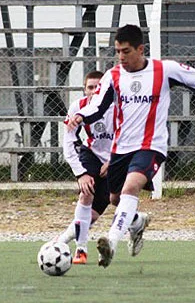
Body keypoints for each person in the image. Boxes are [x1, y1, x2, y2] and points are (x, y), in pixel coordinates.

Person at [66, 24, 195, 268]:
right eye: (117, 51)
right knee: (116, 197)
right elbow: (98, 106)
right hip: (120, 148)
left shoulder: (164, 70)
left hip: (151, 145)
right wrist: (81, 116)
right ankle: (137, 223)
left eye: (126, 51)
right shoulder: (113, 75)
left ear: (141, 49)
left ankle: (112, 242)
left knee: (130, 189)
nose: (121, 57)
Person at [55, 70, 149, 265]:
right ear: (84, 89)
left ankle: (136, 221)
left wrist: (113, 161)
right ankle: (79, 250)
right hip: (90, 155)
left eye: (98, 88)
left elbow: (130, 140)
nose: (93, 91)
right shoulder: (77, 108)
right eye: (90, 87)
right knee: (85, 193)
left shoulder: (118, 109)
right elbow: (68, 142)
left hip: (116, 158)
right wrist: (80, 173)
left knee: (109, 205)